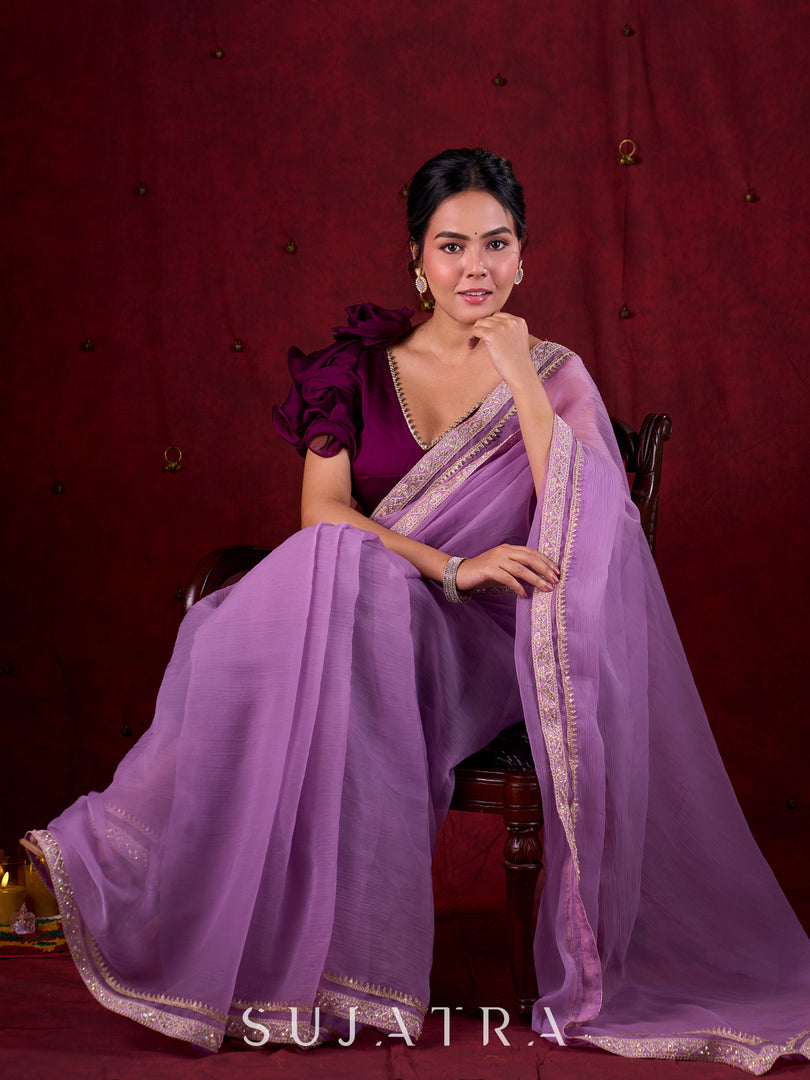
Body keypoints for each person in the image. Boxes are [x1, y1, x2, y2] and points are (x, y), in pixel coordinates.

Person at [25, 149, 810, 1071]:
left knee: (335, 584)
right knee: (329, 569)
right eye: (452, 246)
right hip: (381, 603)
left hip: (479, 642)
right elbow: (323, 511)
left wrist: (520, 379)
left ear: (524, 256)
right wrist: (452, 565)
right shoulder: (355, 369)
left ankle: (131, 858)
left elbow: (590, 521)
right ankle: (190, 904)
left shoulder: (555, 376)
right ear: (416, 259)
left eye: (497, 244)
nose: (475, 267)